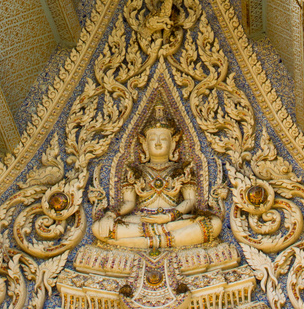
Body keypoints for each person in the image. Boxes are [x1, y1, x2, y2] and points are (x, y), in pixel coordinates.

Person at [92, 105, 221, 251]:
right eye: (153, 139)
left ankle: (144, 243)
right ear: (144, 145)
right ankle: (164, 239)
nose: (158, 143)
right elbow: (128, 202)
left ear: (173, 144)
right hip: (143, 220)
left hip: (174, 219)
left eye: (163, 139)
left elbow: (190, 201)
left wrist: (170, 217)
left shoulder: (181, 170)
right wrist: (110, 214)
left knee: (214, 223)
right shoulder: (136, 172)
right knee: (98, 228)